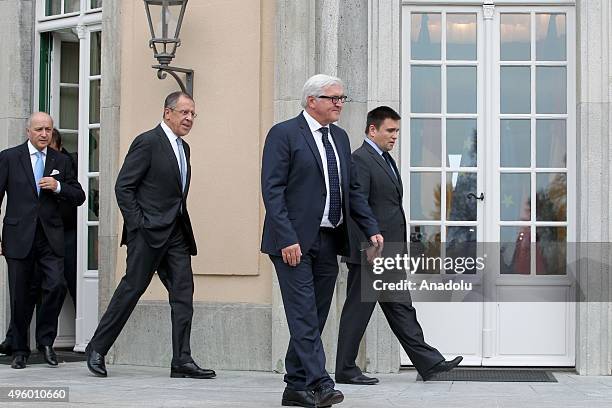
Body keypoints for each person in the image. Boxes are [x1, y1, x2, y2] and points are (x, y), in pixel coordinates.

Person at [261, 74, 383, 408]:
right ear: (312, 100)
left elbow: (353, 190)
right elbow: (272, 191)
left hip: (330, 239)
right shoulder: (284, 134)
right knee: (302, 313)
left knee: (314, 314)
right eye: (334, 98)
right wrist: (286, 237)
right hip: (293, 242)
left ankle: (295, 386)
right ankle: (320, 381)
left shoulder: (341, 139)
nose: (340, 103)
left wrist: (371, 227)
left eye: (342, 98)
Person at [85, 91, 214, 380]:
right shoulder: (147, 142)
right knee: (131, 290)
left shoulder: (185, 148)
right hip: (147, 233)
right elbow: (124, 187)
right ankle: (97, 348)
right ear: (167, 113)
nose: (190, 119)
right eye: (184, 112)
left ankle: (182, 359)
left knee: (183, 294)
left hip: (177, 234)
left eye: (193, 114)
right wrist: (139, 224)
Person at [335, 106, 462, 385]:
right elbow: (357, 204)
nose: (395, 136)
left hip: (389, 249)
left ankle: (429, 363)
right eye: (390, 130)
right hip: (373, 250)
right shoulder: (361, 159)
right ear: (372, 130)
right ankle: (344, 368)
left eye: (397, 131)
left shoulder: (385, 159)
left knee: (401, 307)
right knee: (358, 309)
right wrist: (369, 241)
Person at [0, 112, 85, 369]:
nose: (44, 134)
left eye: (48, 129)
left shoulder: (61, 160)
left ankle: (46, 341)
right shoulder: (9, 157)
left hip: (50, 238)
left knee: (56, 285)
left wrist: (58, 187)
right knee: (19, 295)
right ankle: (19, 349)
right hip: (18, 237)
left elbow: (79, 195)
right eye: (39, 129)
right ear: (28, 131)